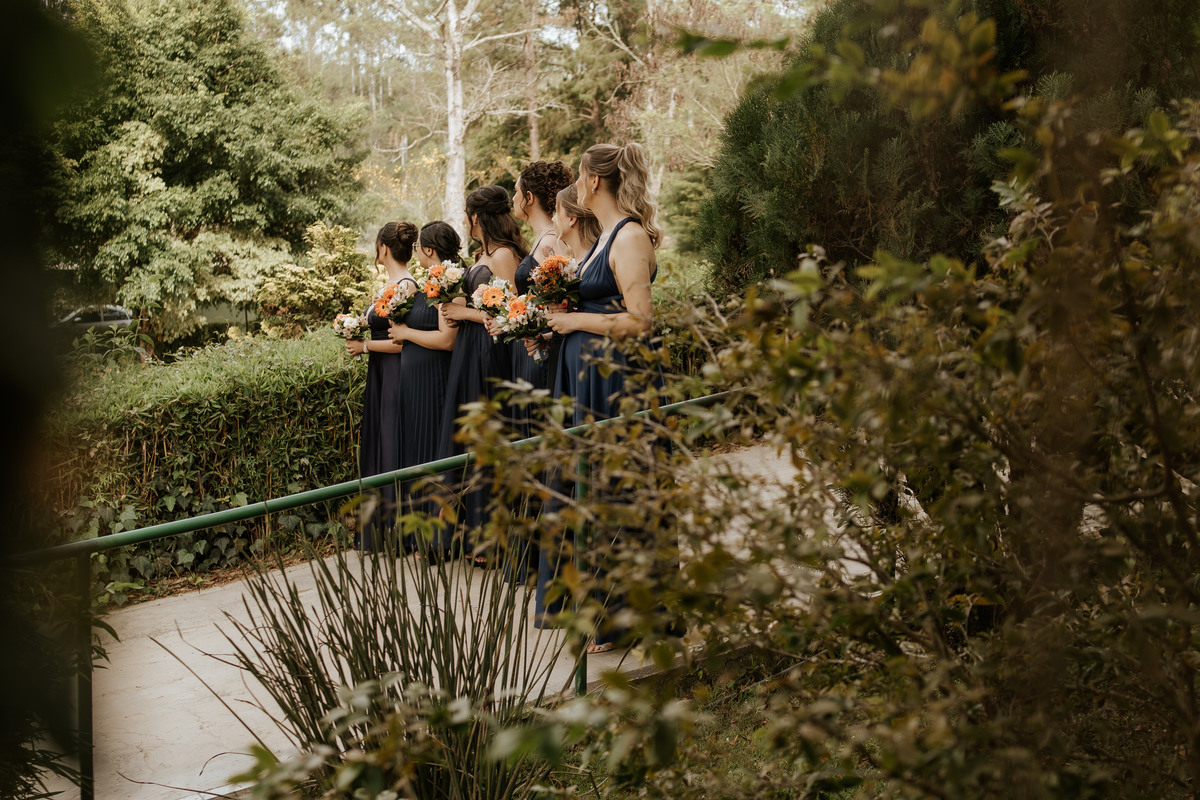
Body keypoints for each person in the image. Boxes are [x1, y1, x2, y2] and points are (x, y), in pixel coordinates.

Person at [543, 142, 664, 653]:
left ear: (594, 181)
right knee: (594, 491)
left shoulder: (630, 236)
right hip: (589, 379)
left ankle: (624, 615)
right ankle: (606, 607)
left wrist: (573, 321)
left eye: (579, 175)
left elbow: (641, 321)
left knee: (617, 490)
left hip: (616, 382)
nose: (575, 184)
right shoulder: (603, 239)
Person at [435, 186, 527, 560]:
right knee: (467, 438)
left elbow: (513, 311)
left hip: (491, 352)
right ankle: (466, 532)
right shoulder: (480, 256)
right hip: (468, 351)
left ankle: (489, 539)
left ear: (477, 217)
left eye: (467, 214)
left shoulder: (504, 255)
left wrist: (464, 314)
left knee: (487, 436)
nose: (465, 220)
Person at [348, 221, 416, 551]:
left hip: (394, 372)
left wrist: (364, 346)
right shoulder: (388, 284)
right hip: (379, 372)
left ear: (383, 248)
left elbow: (403, 343)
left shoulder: (406, 286)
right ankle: (376, 529)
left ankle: (395, 530)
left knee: (391, 443)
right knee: (377, 441)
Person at [387, 221, 459, 530]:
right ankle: (415, 531)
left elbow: (447, 339)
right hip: (414, 384)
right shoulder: (427, 283)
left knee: (431, 453)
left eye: (418, 247)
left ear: (429, 250)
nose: (415, 251)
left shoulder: (446, 283)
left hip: (432, 381)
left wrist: (406, 333)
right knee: (415, 453)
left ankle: (435, 534)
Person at [509, 160, 573, 422]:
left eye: (516, 191)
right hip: (538, 344)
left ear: (529, 197)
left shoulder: (551, 243)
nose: (513, 198)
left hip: (548, 351)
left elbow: (566, 301)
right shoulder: (541, 240)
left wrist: (545, 334)